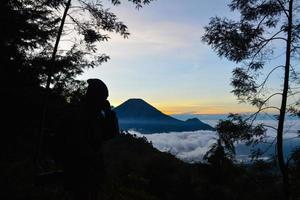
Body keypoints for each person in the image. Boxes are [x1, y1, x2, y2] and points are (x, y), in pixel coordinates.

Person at [55, 79, 119, 200]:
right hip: (80, 174)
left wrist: (109, 113)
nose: (104, 101)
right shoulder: (77, 115)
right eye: (102, 98)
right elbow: (78, 145)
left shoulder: (95, 116)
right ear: (95, 97)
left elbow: (110, 134)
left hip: (88, 175)